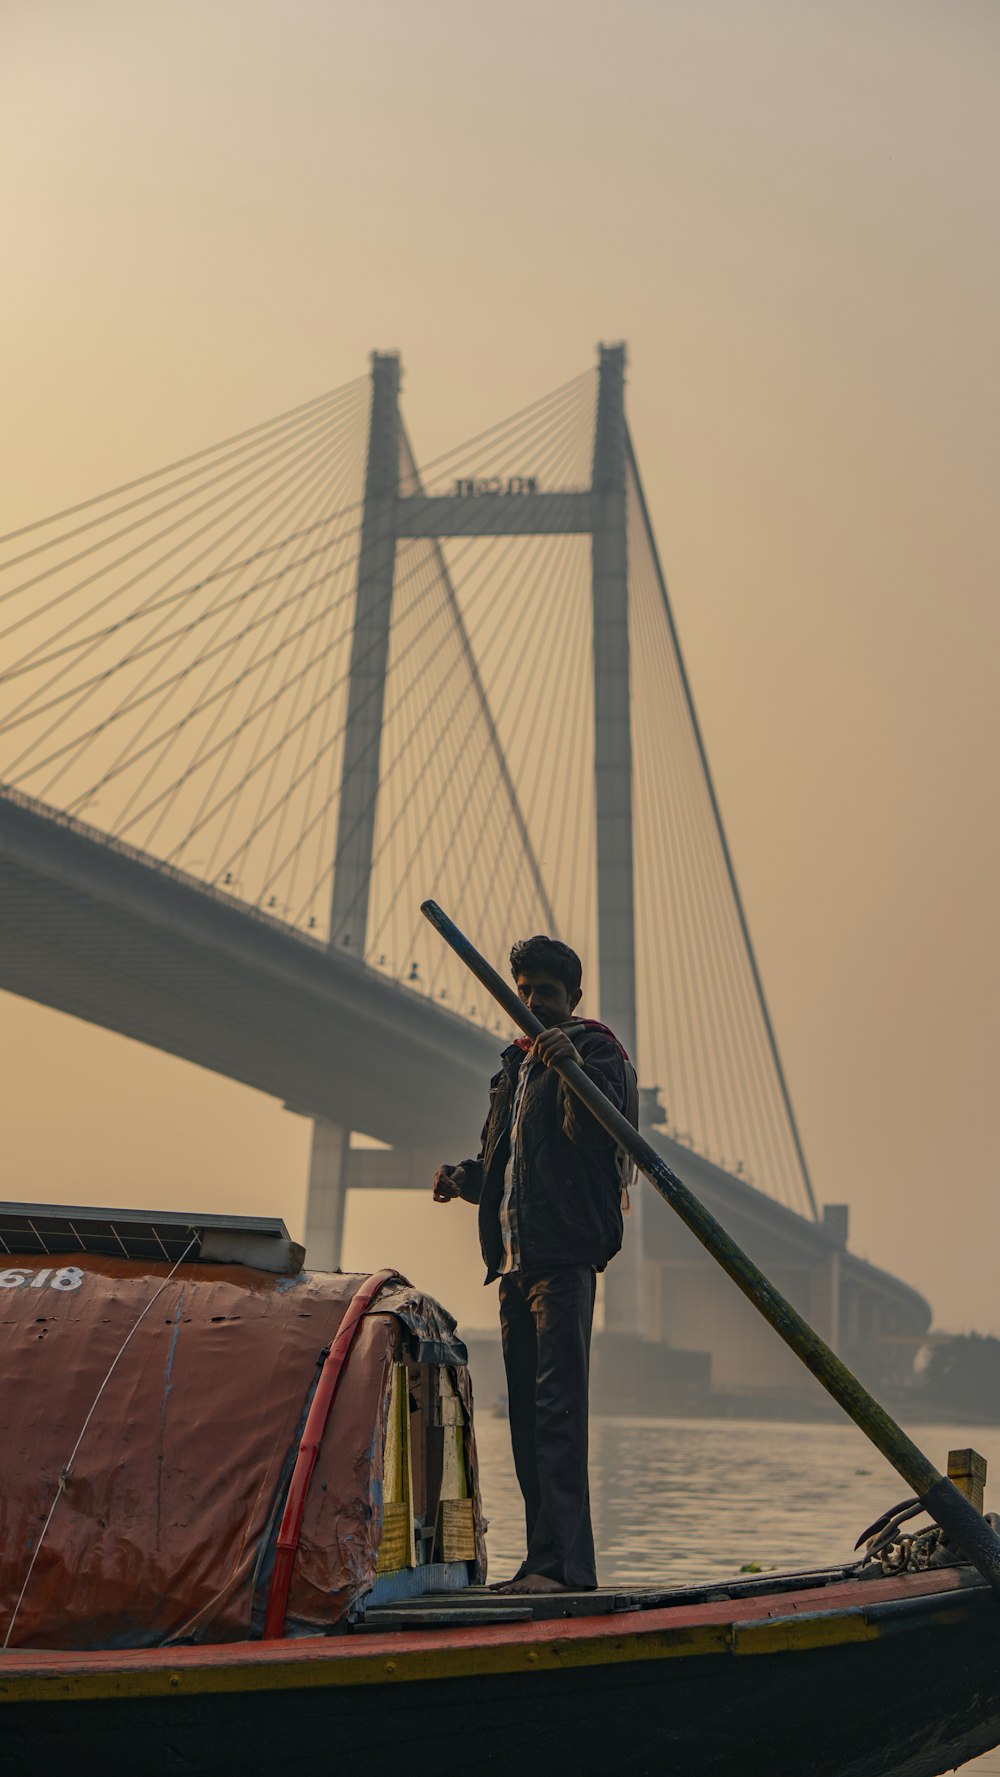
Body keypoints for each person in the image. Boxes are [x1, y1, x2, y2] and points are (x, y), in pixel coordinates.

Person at [432, 934, 638, 1594]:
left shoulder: (596, 1052)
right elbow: (505, 1164)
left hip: (564, 1257)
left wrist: (572, 1063)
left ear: (572, 999)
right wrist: (464, 1178)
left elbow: (595, 1139)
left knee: (558, 1413)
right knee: (524, 1416)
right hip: (515, 1263)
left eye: (544, 994)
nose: (531, 1004)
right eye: (522, 992)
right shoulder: (513, 1068)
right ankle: (539, 1561)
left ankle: (565, 1569)